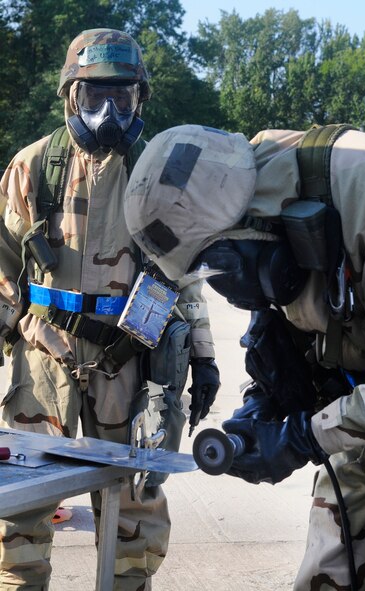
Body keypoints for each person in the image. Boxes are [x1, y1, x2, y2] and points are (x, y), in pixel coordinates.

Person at [123, 122, 365, 590]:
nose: (225, 286)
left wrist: (304, 437)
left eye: (216, 265)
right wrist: (269, 398)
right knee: (328, 576)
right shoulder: (260, 200)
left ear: (242, 227)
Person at [0, 33, 220, 591]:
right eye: (94, 95)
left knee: (134, 509)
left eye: (121, 98)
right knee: (19, 513)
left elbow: (182, 275)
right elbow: (2, 263)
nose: (107, 112)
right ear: (69, 97)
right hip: (43, 361)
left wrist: (203, 354)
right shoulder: (33, 167)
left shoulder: (158, 177)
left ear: (139, 100)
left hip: (129, 364)